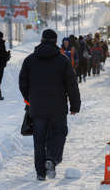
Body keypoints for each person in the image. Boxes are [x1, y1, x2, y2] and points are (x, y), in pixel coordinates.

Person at [19, 29, 80, 181]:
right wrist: (74, 106)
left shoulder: (30, 60)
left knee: (39, 140)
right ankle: (52, 159)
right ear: (55, 41)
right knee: (59, 134)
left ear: (41, 39)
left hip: (37, 108)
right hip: (58, 108)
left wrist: (30, 99)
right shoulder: (63, 60)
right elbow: (72, 85)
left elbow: (23, 83)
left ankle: (40, 173)